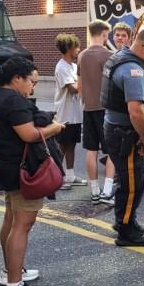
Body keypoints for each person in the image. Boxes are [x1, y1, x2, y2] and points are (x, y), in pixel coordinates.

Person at [0, 56, 65, 286]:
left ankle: (10, 271)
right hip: (23, 170)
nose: (33, 87)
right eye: (32, 82)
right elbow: (29, 134)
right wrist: (56, 127)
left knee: (11, 218)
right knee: (23, 224)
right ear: (16, 78)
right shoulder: (14, 101)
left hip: (5, 165)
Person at [101, 28, 144, 247]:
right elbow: (136, 111)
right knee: (132, 184)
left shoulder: (120, 57)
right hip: (126, 134)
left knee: (127, 181)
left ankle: (126, 221)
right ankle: (126, 231)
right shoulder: (132, 69)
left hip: (115, 129)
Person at [78, 20, 116, 205]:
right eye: (107, 35)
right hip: (105, 109)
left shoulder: (82, 56)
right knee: (111, 152)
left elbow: (79, 85)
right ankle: (107, 192)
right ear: (103, 34)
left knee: (91, 151)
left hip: (88, 108)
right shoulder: (109, 55)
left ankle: (94, 191)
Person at [54, 33, 86, 188]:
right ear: (68, 48)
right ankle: (55, 177)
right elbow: (73, 89)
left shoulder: (73, 67)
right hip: (65, 113)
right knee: (62, 145)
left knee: (72, 144)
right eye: (76, 47)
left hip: (76, 112)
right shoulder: (61, 67)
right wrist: (85, 80)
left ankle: (70, 176)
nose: (79, 50)